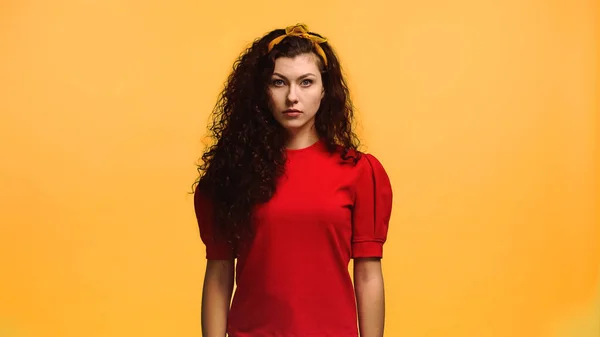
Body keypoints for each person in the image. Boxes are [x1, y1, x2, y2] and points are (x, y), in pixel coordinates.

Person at [192, 23, 393, 337]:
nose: (292, 96)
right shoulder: (231, 174)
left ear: (325, 90)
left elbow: (368, 275)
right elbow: (219, 273)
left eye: (306, 82)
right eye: (278, 82)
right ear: (261, 90)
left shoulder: (359, 171)